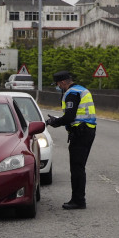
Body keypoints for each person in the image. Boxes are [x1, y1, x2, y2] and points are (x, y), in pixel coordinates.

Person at [45, 70, 97, 210]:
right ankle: (78, 199)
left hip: (80, 132)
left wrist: (54, 122)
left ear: (62, 82)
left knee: (77, 168)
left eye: (57, 84)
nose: (58, 87)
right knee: (79, 167)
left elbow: (69, 117)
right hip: (87, 130)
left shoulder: (72, 94)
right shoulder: (81, 90)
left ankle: (78, 201)